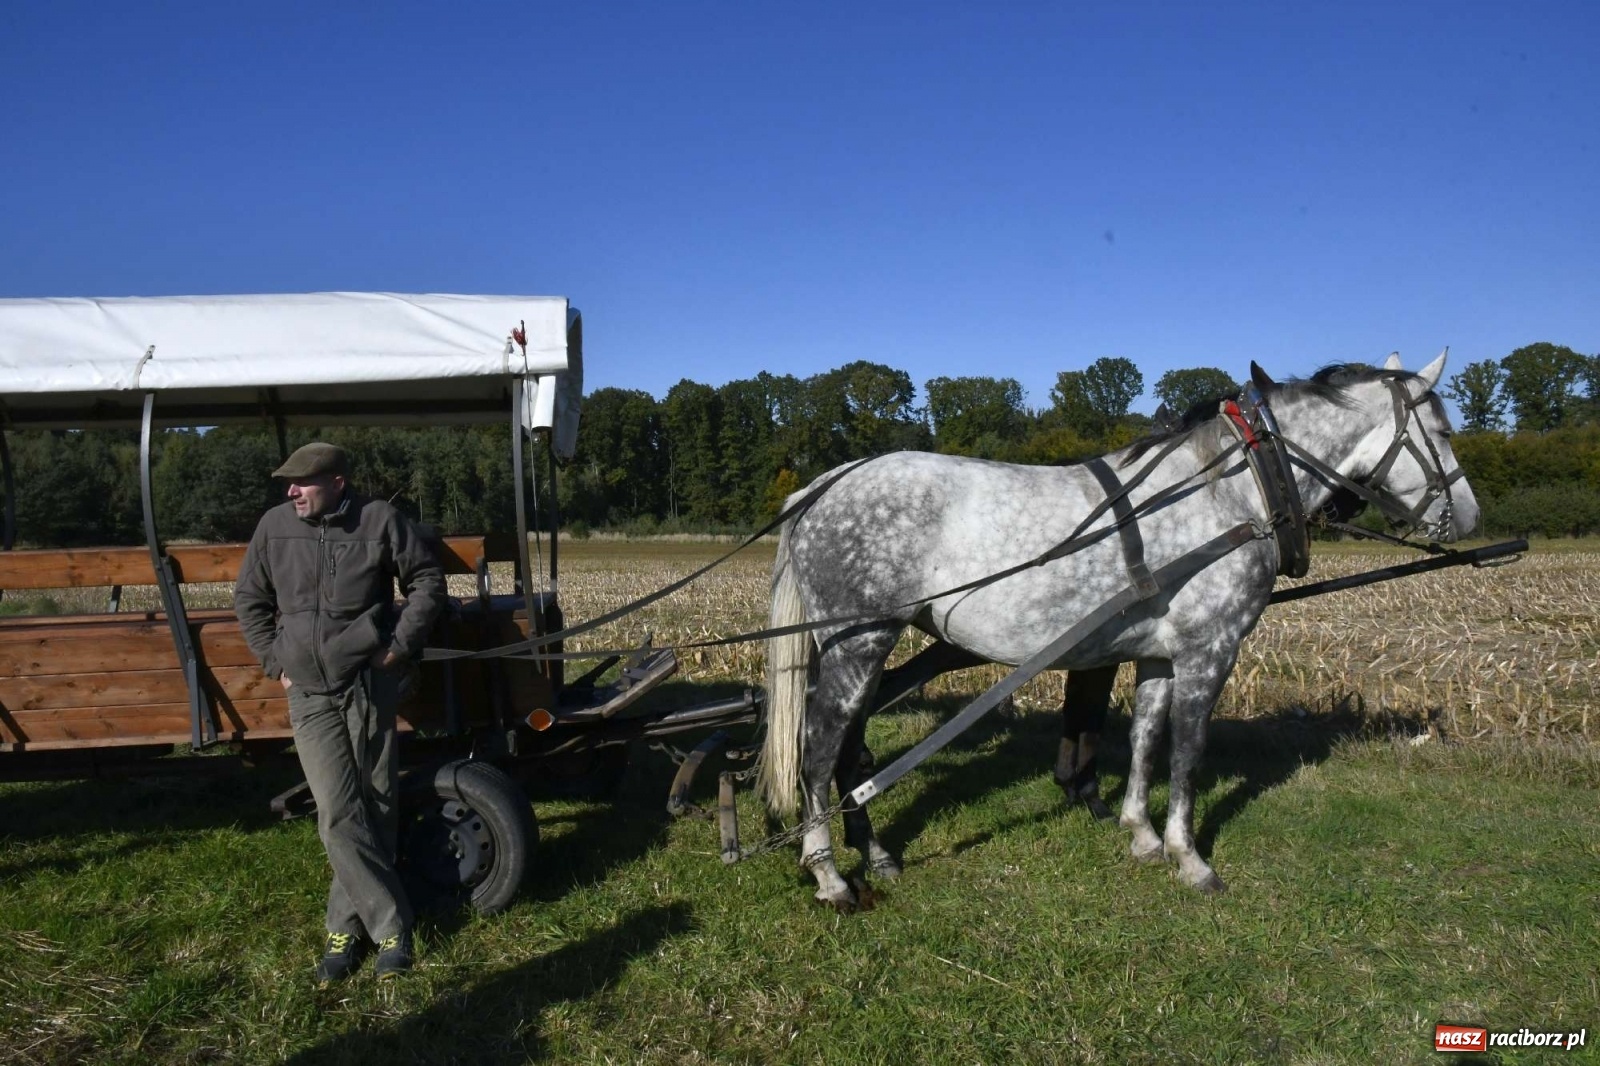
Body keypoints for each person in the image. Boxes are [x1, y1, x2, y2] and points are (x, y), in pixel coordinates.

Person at [234, 442, 448, 984]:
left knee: (376, 806)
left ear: (337, 482)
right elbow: (249, 599)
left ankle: (342, 929)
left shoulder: (379, 521)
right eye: (289, 483)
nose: (291, 491)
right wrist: (272, 660)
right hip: (307, 692)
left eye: (303, 482)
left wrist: (399, 647)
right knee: (335, 811)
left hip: (367, 684)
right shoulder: (273, 527)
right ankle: (392, 927)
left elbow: (426, 580)